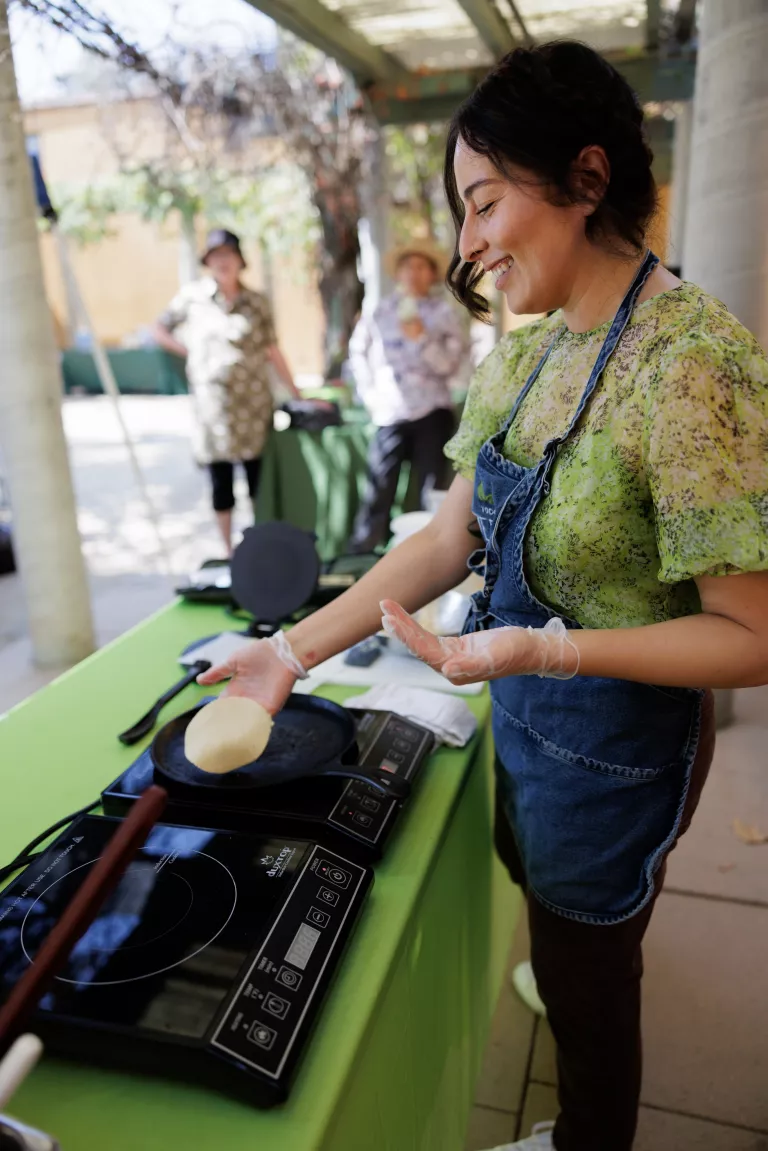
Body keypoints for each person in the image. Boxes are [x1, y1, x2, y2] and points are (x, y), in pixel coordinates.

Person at [197, 42, 768, 1151]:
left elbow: (753, 635)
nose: (467, 244)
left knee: (591, 975)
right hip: (531, 721)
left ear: (587, 181)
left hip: (618, 749)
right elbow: (452, 534)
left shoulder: (690, 364)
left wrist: (552, 653)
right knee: (554, 915)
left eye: (485, 202)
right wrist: (292, 652)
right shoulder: (529, 354)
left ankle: (588, 1132)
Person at [153, 228, 301, 557]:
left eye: (228, 255)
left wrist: (295, 392)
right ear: (208, 261)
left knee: (256, 480)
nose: (223, 262)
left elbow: (272, 348)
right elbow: (159, 328)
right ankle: (227, 551)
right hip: (214, 409)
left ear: (239, 260)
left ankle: (260, 545)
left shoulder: (256, 302)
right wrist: (188, 351)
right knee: (220, 481)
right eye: (216, 256)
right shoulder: (192, 299)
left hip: (253, 405)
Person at [348, 238, 470, 551]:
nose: (413, 273)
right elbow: (358, 353)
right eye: (407, 267)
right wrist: (369, 394)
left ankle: (431, 553)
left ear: (431, 274)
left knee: (432, 488)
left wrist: (423, 340)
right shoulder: (379, 311)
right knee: (380, 487)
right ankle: (363, 553)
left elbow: (452, 366)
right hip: (390, 411)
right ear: (398, 274)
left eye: (421, 267)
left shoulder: (444, 313)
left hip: (432, 411)